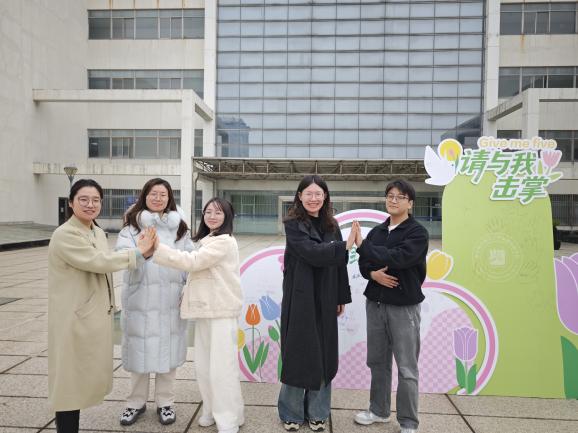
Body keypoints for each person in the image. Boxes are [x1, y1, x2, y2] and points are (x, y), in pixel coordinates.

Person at [48, 179, 156, 433]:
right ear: (71, 203)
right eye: (83, 199)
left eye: (96, 200)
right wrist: (138, 253)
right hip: (72, 318)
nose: (90, 204)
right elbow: (99, 261)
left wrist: (143, 252)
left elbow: (104, 261)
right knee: (68, 383)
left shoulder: (95, 231)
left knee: (79, 380)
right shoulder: (65, 234)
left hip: (91, 315)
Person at [152, 197, 244, 433]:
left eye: (218, 213)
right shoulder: (209, 239)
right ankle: (212, 411)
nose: (212, 216)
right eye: (208, 212)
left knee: (221, 369)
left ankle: (228, 420)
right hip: (207, 310)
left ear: (227, 217)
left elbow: (193, 262)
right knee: (204, 367)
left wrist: (157, 249)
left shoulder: (223, 241)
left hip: (221, 311)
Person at [278, 175, 357, 432]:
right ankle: (291, 412)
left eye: (318, 194)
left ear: (325, 197)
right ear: (299, 196)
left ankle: (318, 412)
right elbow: (310, 252)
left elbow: (340, 264)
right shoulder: (293, 224)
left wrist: (341, 296)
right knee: (298, 351)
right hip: (300, 296)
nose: (313, 198)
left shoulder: (332, 224)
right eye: (308, 194)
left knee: (323, 353)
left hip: (326, 295)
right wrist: (343, 246)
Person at [353, 179, 429, 433]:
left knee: (407, 366)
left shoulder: (417, 233)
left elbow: (400, 258)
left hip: (404, 307)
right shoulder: (377, 232)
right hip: (375, 304)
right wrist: (373, 275)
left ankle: (408, 422)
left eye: (400, 196)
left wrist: (366, 248)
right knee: (377, 362)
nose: (393, 200)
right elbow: (364, 263)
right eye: (390, 196)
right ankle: (379, 410)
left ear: (410, 203)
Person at [115, 178, 192, 426]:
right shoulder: (131, 227)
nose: (158, 198)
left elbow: (189, 258)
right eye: (153, 194)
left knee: (168, 352)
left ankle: (165, 402)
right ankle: (134, 403)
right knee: (139, 351)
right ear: (144, 196)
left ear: (169, 199)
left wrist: (187, 287)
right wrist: (143, 252)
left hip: (170, 299)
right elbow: (121, 257)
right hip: (140, 298)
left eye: (163, 194)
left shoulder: (180, 228)